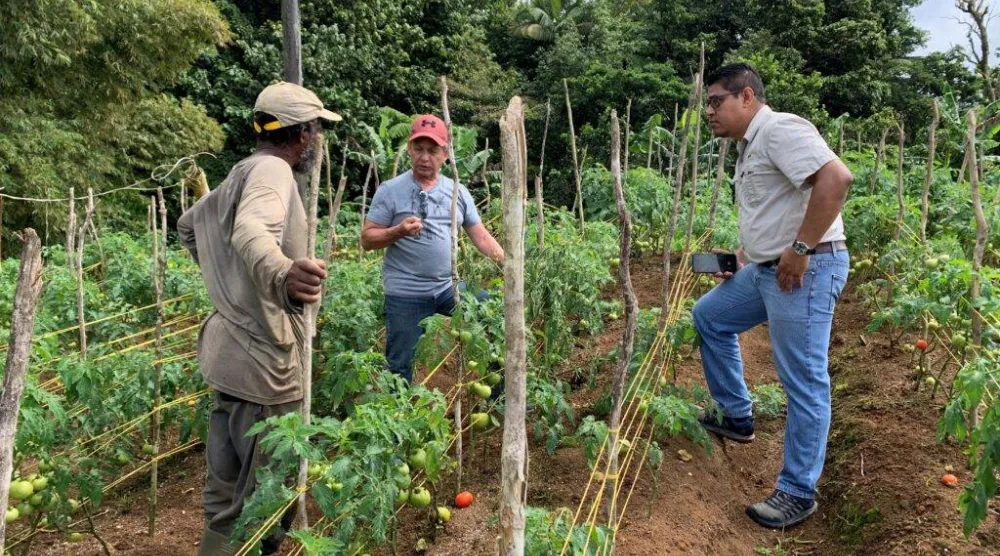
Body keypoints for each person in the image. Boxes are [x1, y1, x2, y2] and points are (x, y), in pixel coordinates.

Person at [177, 82, 339, 555]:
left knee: (225, 497)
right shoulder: (272, 171)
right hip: (262, 364)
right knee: (267, 500)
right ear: (304, 134)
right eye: (317, 130)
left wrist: (230, 281)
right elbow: (251, 229)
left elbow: (190, 226)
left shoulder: (242, 170)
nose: (318, 141)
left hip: (228, 357)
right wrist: (281, 274)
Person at [692, 63, 853, 529]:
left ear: (746, 97)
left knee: (803, 380)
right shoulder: (750, 146)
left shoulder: (780, 128)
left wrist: (801, 249)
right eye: (707, 103)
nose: (709, 111)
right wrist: (745, 255)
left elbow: (836, 179)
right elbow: (777, 207)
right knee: (711, 317)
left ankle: (798, 491)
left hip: (805, 271)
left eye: (716, 101)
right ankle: (738, 416)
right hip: (766, 270)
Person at [361, 114, 503, 382]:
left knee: (492, 315)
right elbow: (367, 239)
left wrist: (509, 264)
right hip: (406, 293)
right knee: (399, 366)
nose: (424, 157)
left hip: (448, 288)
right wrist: (398, 230)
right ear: (409, 150)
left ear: (445, 154)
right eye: (419, 149)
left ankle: (499, 395)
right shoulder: (390, 190)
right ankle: (396, 417)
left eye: (432, 150)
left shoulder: (457, 191)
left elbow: (481, 237)